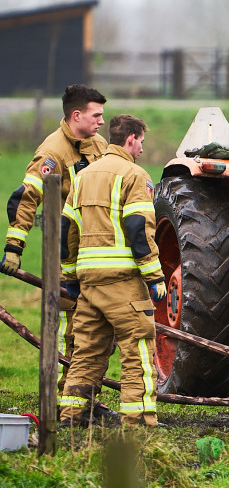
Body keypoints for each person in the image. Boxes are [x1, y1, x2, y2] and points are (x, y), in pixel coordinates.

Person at [3, 84, 110, 397]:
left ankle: (84, 393)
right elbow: (25, 199)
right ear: (76, 115)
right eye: (96, 115)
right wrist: (14, 247)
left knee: (98, 327)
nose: (102, 121)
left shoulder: (99, 144)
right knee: (74, 327)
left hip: (99, 251)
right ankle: (68, 398)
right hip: (66, 256)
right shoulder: (52, 151)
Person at [59, 115, 165, 428]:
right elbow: (138, 228)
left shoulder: (82, 177)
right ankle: (139, 422)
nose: (142, 150)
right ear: (131, 139)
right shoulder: (134, 175)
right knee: (139, 352)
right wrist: (155, 275)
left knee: (86, 354)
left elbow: (67, 230)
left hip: (89, 283)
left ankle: (69, 417)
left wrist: (70, 276)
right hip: (123, 282)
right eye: (141, 142)